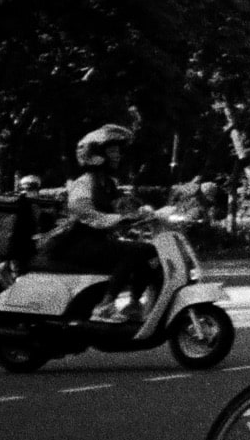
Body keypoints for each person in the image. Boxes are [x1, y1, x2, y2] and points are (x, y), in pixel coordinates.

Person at [42, 125, 161, 319]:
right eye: (112, 151)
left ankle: (134, 303)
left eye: (118, 151)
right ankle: (106, 305)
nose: (118, 155)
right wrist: (120, 219)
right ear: (95, 154)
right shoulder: (84, 183)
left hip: (96, 241)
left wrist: (143, 213)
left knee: (148, 250)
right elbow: (87, 213)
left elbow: (122, 206)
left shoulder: (108, 183)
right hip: (77, 243)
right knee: (133, 251)